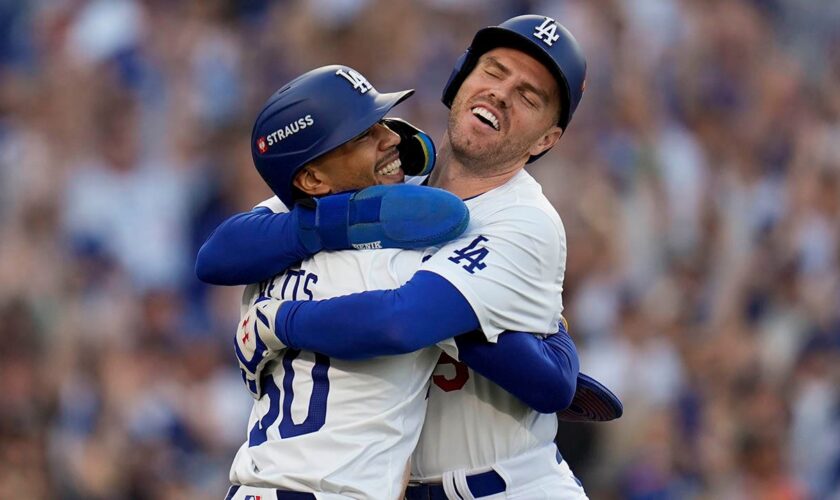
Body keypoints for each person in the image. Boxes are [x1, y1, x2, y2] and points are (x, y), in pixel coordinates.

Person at [214, 15, 608, 499]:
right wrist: (333, 223)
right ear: (460, 78)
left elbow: (403, 321)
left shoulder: (526, 220)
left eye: (530, 97)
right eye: (494, 70)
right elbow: (224, 250)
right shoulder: (388, 174)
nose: (502, 93)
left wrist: (278, 320)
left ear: (547, 139)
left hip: (509, 487)